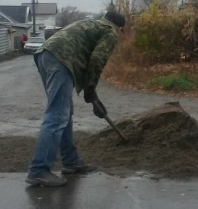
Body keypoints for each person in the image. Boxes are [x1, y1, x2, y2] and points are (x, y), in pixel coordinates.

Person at [25, 11, 125, 187]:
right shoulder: (110, 31)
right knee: (57, 115)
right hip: (61, 59)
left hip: (45, 55)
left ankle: (71, 161)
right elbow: (97, 59)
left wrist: (90, 92)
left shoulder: (92, 24)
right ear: (120, 27)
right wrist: (90, 90)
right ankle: (38, 170)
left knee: (64, 112)